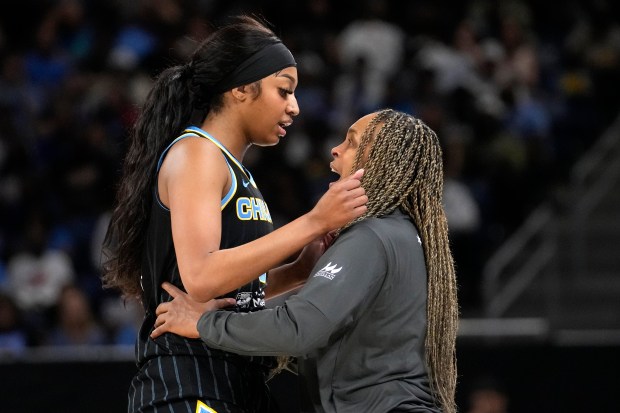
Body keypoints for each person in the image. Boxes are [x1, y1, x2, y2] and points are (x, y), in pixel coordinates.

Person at [101, 15, 368, 413]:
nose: (294, 107)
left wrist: (297, 271)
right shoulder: (197, 153)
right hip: (187, 376)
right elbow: (203, 277)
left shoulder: (231, 166)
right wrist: (314, 221)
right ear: (242, 89)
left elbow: (233, 293)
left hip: (232, 373)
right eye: (284, 91)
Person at [151, 109, 459, 413]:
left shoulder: (371, 235)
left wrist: (204, 323)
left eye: (351, 143)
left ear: (382, 161)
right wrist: (300, 271)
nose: (335, 150)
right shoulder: (405, 234)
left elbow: (297, 329)